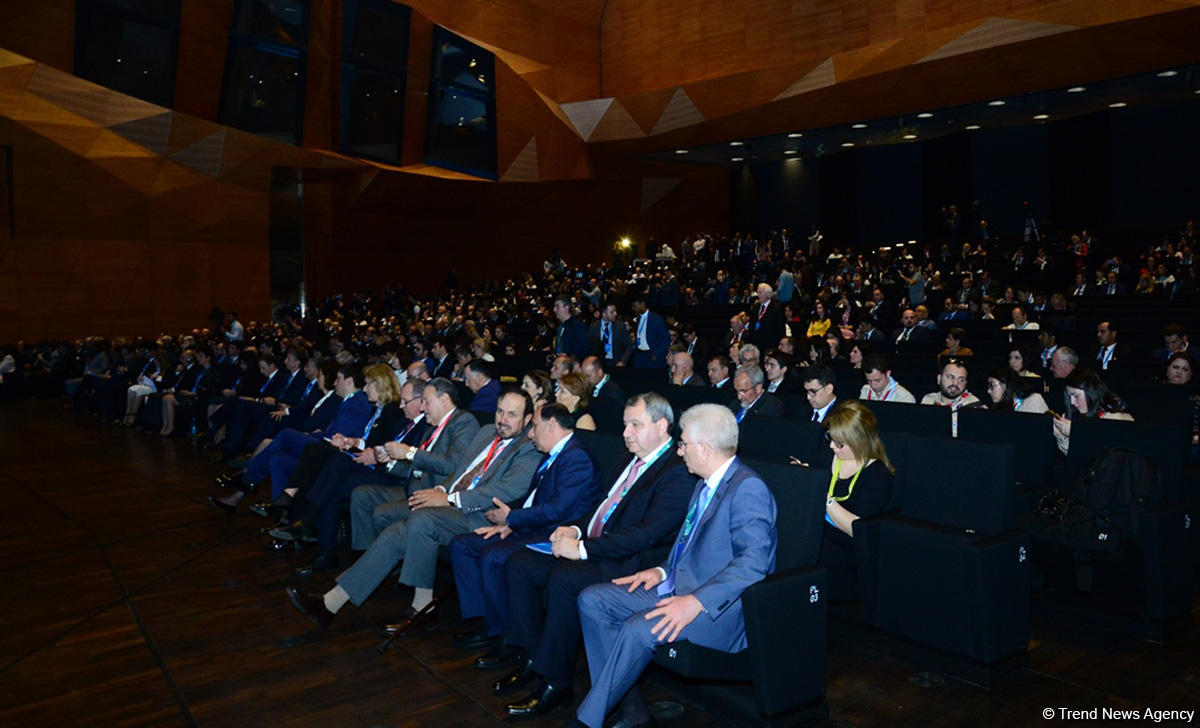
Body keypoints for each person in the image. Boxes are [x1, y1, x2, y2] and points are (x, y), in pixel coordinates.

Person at [566, 404, 776, 728]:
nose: (679, 452)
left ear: (704, 449)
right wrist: (662, 571)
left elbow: (753, 565)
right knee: (593, 600)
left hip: (715, 609)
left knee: (637, 628)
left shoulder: (748, 489)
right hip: (677, 588)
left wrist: (695, 603)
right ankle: (630, 708)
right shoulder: (704, 483)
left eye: (683, 444)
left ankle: (586, 721)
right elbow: (687, 546)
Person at [496, 394, 695, 720]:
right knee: (521, 564)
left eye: (635, 425)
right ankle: (532, 658)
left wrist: (583, 549)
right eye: (625, 424)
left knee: (564, 578)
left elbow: (647, 534)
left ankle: (556, 681)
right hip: (599, 548)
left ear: (662, 426)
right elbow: (601, 508)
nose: (626, 432)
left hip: (633, 562)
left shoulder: (676, 471)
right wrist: (574, 530)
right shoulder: (627, 457)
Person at [285, 389, 543, 631]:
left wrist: (450, 499)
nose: (503, 420)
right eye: (500, 411)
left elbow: (506, 490)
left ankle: (421, 606)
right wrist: (440, 491)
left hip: (478, 516)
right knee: (397, 532)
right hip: (451, 504)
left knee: (422, 519)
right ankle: (331, 603)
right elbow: (460, 471)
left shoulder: (529, 448)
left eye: (512, 414)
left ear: (528, 418)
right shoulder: (487, 432)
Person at [818, 400, 895, 600]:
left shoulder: (877, 474)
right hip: (817, 537)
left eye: (840, 443)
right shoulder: (827, 456)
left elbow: (856, 529)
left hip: (847, 551)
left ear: (859, 441)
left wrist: (825, 500)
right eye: (830, 438)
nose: (832, 446)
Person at [1052, 368, 1134, 454]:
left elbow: (1101, 455)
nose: (1072, 402)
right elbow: (1079, 456)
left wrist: (1075, 431)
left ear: (1090, 392)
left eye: (1076, 396)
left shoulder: (1116, 417)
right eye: (1070, 397)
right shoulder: (1087, 415)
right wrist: (1061, 436)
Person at [985, 367, 1049, 414]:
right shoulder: (999, 407)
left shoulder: (1033, 400)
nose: (988, 391)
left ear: (1005, 385)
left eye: (992, 385)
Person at [630, 296, 670, 369]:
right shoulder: (637, 318)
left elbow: (666, 339)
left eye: (635, 306)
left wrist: (656, 353)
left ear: (642, 304)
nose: (633, 308)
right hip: (639, 354)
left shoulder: (657, 319)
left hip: (652, 354)